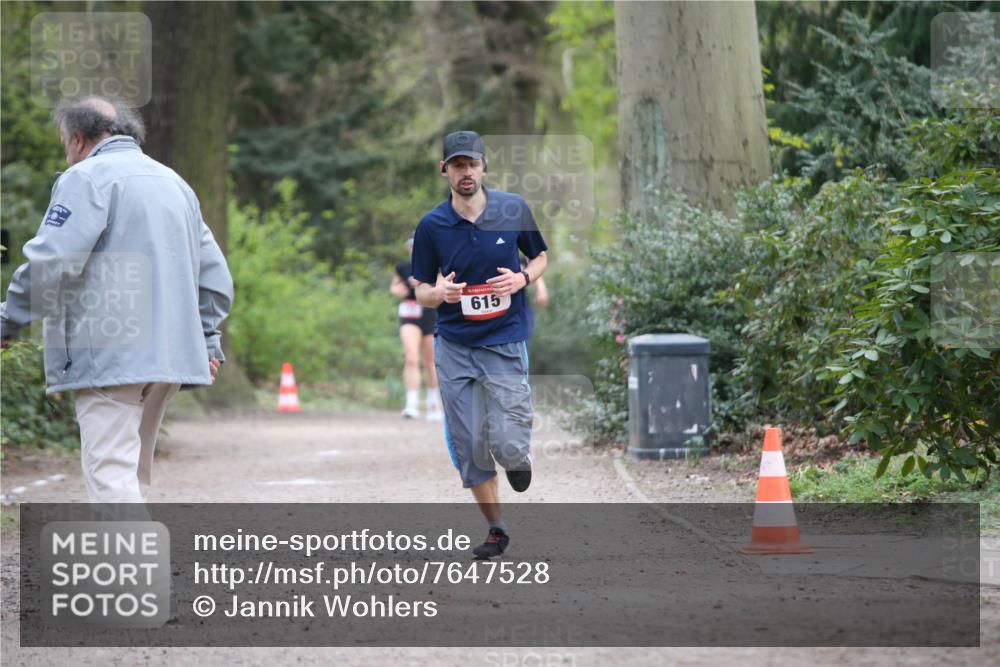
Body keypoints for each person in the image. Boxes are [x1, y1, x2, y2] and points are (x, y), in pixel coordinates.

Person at [0, 95, 233, 504]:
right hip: (169, 358)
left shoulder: (87, 178)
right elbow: (214, 277)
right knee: (130, 476)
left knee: (111, 475)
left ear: (77, 139)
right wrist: (208, 339)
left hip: (109, 352)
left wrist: (9, 320)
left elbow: (51, 264)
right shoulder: (175, 183)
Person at [411, 131, 548, 559]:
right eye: (457, 165)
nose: (465, 172)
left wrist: (523, 278)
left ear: (484, 167)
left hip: (504, 340)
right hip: (454, 345)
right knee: (468, 442)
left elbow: (541, 256)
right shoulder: (432, 225)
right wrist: (440, 294)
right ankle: (496, 528)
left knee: (506, 441)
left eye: (471, 164)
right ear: (444, 170)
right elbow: (419, 290)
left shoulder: (513, 208)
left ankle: (517, 456)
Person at [390, 235, 442, 420]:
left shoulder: (436, 264)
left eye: (417, 246)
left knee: (430, 362)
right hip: (410, 313)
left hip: (430, 314)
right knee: (411, 358)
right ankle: (411, 404)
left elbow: (441, 287)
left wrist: (424, 284)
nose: (414, 249)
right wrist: (399, 290)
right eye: (411, 246)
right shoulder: (403, 267)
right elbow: (394, 287)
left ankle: (433, 402)